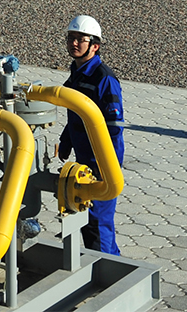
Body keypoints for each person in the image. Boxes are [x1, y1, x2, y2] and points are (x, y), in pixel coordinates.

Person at [58, 14, 128, 255]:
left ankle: (108, 270)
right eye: (71, 38)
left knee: (98, 223)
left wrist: (102, 164)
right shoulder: (77, 74)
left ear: (95, 46)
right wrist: (66, 141)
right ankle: (107, 263)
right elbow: (76, 115)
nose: (74, 43)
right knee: (88, 222)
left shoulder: (104, 79)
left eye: (81, 39)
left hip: (102, 163)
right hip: (84, 160)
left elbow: (114, 126)